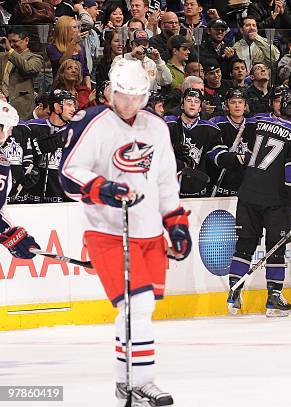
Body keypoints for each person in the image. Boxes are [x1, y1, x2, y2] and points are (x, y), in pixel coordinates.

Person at [60, 59, 189, 406]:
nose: (130, 104)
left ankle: (124, 383)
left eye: (137, 98)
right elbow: (69, 174)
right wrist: (101, 187)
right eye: (123, 96)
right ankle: (142, 381)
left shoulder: (157, 127)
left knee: (137, 311)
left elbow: (164, 180)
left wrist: (175, 221)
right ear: (111, 91)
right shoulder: (91, 123)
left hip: (148, 233)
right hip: (109, 232)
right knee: (137, 306)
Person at [227, 92, 291, 317]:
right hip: (275, 201)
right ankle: (274, 298)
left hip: (247, 195)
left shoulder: (259, 123)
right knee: (276, 248)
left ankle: (234, 293)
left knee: (244, 245)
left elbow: (245, 155)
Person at [165, 87, 242, 197]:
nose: (192, 104)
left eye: (196, 102)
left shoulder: (210, 129)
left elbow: (217, 152)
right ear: (182, 105)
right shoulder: (168, 124)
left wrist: (233, 158)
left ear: (200, 108)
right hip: (171, 192)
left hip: (198, 192)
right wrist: (172, 152)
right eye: (189, 100)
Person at [28, 89, 77, 203]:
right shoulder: (32, 127)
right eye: (69, 104)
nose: (73, 109)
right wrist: (36, 150)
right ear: (57, 106)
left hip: (64, 201)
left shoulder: (76, 133)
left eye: (74, 105)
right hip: (34, 199)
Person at [209, 88, 256, 197]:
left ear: (245, 106)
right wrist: (233, 158)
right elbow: (213, 152)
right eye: (233, 102)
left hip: (245, 185)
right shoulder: (216, 123)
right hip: (222, 184)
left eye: (240, 102)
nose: (237, 105)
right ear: (226, 105)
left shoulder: (254, 124)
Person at [0, 28, 44, 120]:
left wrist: (9, 50)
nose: (11, 45)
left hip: (22, 109)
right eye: (9, 41)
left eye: (15, 41)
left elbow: (28, 68)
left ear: (26, 40)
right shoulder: (4, 57)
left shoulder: (35, 58)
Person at [46, 15, 92, 87]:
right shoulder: (52, 48)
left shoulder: (80, 47)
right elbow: (62, 64)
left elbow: (85, 71)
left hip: (80, 88)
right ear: (64, 30)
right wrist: (73, 43)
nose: (77, 30)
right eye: (74, 27)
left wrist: (88, 89)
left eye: (77, 27)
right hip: (61, 88)